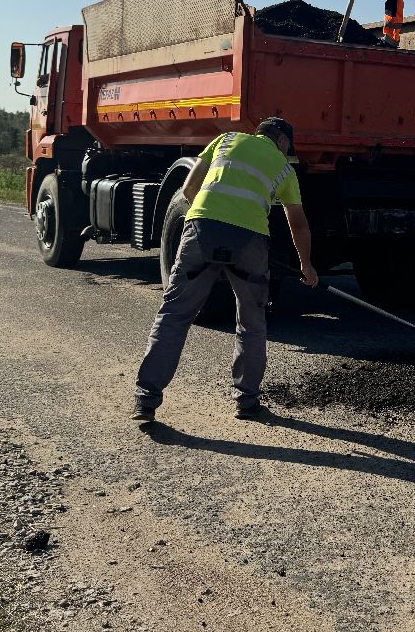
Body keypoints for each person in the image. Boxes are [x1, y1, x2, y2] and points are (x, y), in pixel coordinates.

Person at [133, 117, 318, 423]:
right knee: (251, 322)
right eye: (288, 148)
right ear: (282, 141)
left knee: (174, 314)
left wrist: (213, 220)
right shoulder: (285, 168)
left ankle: (145, 400)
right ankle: (246, 401)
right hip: (250, 243)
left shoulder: (226, 139)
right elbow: (297, 223)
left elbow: (189, 188)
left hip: (200, 229)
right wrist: (306, 265)